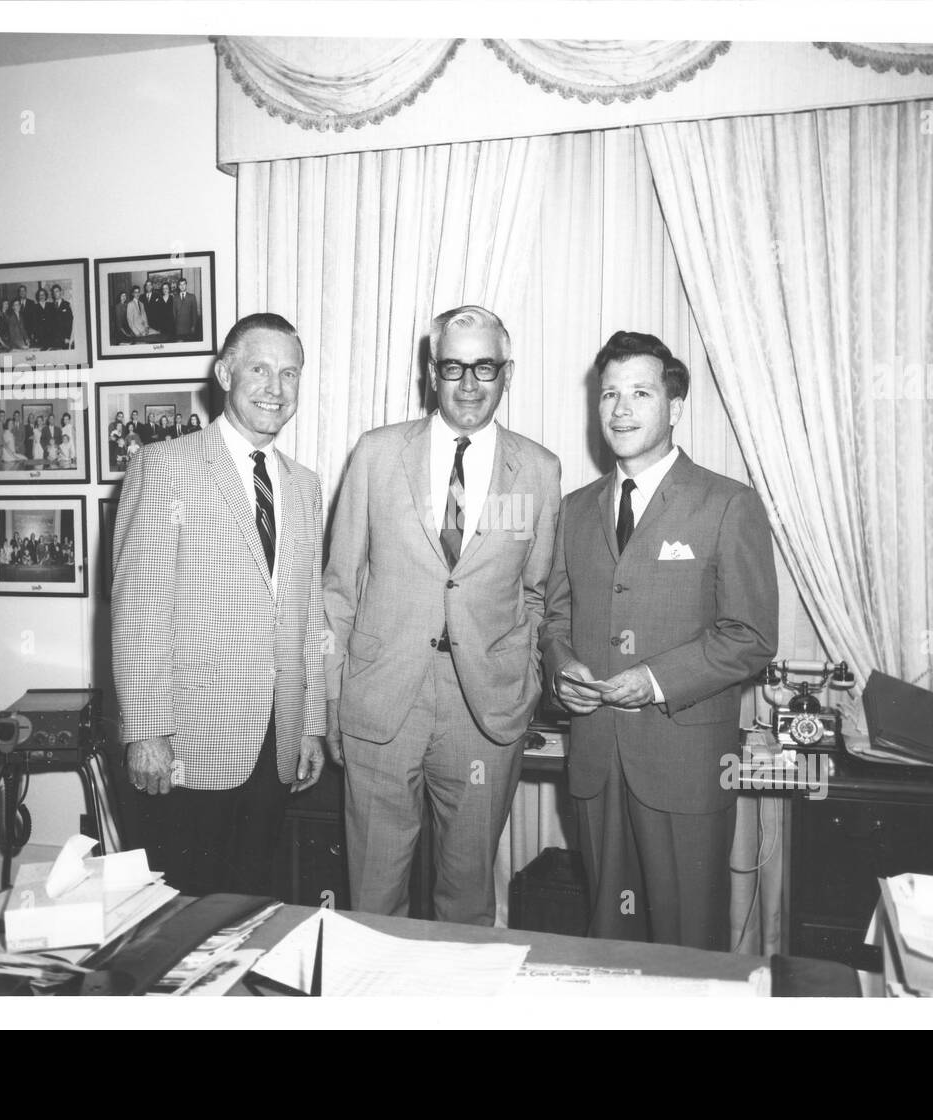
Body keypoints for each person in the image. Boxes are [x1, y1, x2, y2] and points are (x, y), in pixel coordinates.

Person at [539, 331, 778, 951]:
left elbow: (750, 637)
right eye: (610, 394)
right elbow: (555, 620)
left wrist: (651, 680)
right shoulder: (573, 508)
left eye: (639, 393)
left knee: (685, 945)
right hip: (595, 758)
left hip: (685, 765)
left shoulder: (729, 504)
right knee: (607, 941)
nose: (620, 409)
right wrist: (562, 669)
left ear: (673, 408)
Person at [324, 304, 562, 926]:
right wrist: (330, 700)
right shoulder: (377, 456)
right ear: (432, 372)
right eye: (453, 366)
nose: (468, 383)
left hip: (483, 712)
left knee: (467, 900)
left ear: (506, 374)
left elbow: (535, 594)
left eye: (484, 367)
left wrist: (524, 683)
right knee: (373, 899)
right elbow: (340, 589)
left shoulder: (538, 470)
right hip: (382, 701)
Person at [112, 312, 327, 896]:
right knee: (180, 917)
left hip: (275, 744)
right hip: (188, 742)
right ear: (224, 372)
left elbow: (309, 618)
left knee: (250, 908)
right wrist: (146, 732)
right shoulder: (164, 467)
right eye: (259, 368)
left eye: (289, 373)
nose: (275, 388)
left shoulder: (306, 486)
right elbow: (139, 614)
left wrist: (309, 724)